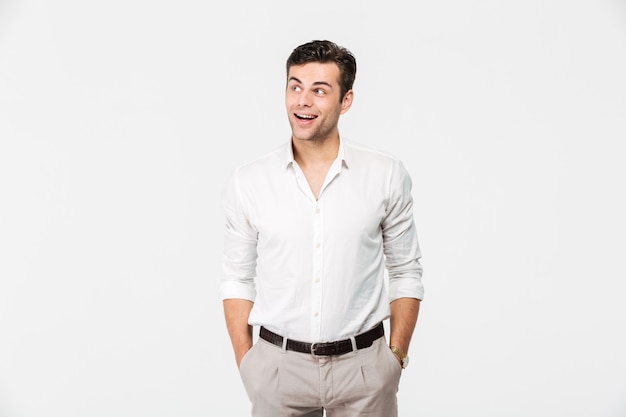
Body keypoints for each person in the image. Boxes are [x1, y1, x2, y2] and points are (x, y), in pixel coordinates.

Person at [220, 39, 424, 417]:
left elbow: (406, 271)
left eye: (319, 90)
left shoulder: (385, 175)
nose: (302, 101)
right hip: (277, 371)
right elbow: (236, 278)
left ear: (346, 101)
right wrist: (247, 362)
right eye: (295, 86)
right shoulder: (249, 181)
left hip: (363, 370)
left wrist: (395, 357)